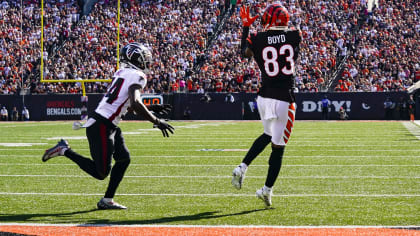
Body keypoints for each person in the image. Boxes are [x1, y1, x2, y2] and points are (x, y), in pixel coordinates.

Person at [42, 42, 174, 210]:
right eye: (145, 59)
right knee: (101, 173)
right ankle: (64, 150)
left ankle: (107, 200)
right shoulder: (138, 75)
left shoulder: (123, 72)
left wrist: (152, 108)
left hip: (106, 124)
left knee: (124, 159)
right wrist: (156, 121)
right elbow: (135, 102)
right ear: (136, 59)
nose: (148, 62)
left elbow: (127, 105)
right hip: (102, 126)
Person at [231, 4, 300, 207]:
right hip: (285, 98)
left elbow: (244, 53)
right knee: (278, 148)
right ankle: (267, 190)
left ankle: (243, 166)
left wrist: (246, 27)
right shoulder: (295, 35)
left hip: (264, 97)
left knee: (267, 134)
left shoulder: (258, 38)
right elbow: (287, 39)